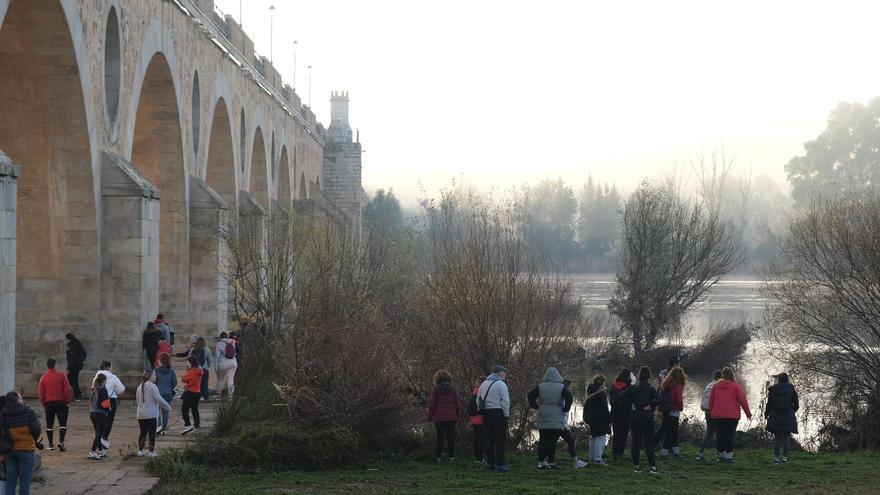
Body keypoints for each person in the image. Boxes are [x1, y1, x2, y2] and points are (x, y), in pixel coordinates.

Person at [527, 367, 572, 469]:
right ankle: (551, 462)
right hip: (557, 415)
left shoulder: (540, 386)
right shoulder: (561, 387)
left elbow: (530, 395)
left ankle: (541, 462)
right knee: (552, 441)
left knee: (543, 439)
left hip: (543, 414)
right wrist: (566, 408)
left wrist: (535, 406)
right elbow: (569, 397)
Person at [621, 366, 661, 475]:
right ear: (649, 376)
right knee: (649, 443)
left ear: (639, 376)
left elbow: (621, 396)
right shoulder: (651, 389)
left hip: (635, 417)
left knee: (636, 443)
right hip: (647, 417)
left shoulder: (633, 388)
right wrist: (651, 405)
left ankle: (636, 467)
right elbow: (660, 400)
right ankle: (653, 468)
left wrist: (631, 404)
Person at [0, 391, 41, 494]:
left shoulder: (3, 413)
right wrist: (35, 440)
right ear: (18, 399)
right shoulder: (29, 412)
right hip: (26, 449)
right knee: (25, 480)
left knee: (10, 480)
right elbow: (36, 428)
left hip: (9, 450)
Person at [709, 367, 752, 464]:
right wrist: (748, 413)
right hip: (732, 416)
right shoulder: (736, 386)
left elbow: (711, 401)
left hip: (718, 415)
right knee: (729, 436)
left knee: (720, 436)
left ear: (722, 374)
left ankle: (721, 456)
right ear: (732, 374)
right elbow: (743, 401)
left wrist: (712, 411)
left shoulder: (715, 386)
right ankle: (729, 457)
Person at [477, 365, 511, 472]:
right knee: (500, 439)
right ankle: (501, 464)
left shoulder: (483, 384)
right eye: (504, 372)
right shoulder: (501, 384)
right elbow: (505, 401)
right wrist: (506, 415)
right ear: (499, 373)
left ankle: (490, 463)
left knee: (489, 439)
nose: (505, 375)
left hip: (486, 413)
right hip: (498, 413)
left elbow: (478, 400)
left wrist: (480, 410)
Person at [37, 359, 72, 451]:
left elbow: (41, 393)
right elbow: (67, 390)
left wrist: (44, 403)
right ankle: (61, 441)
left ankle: (50, 444)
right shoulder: (61, 375)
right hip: (61, 401)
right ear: (55, 365)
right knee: (62, 423)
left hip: (49, 402)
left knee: (49, 424)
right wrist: (68, 401)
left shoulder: (43, 377)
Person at [426, 370, 460, 463]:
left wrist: (429, 416)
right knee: (451, 437)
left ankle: (439, 457)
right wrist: (457, 414)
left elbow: (432, 405)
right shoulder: (452, 389)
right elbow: (456, 403)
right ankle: (452, 457)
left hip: (439, 416)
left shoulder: (435, 389)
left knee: (440, 437)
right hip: (451, 416)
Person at [135, 370, 171, 457]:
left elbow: (137, 400)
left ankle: (140, 450)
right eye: (154, 375)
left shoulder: (140, 387)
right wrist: (168, 407)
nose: (155, 376)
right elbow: (158, 399)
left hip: (141, 414)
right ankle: (151, 452)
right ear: (150, 376)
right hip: (151, 414)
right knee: (151, 433)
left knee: (142, 432)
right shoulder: (153, 386)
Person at [765, 372, 799, 464]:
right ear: (787, 379)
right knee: (786, 437)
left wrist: (766, 414)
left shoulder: (773, 390)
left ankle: (776, 459)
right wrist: (792, 411)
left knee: (777, 437)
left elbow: (769, 404)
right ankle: (785, 458)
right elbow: (796, 404)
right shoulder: (791, 389)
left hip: (775, 415)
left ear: (778, 380)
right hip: (788, 415)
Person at [655, 367, 687, 458]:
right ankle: (664, 452)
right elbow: (679, 400)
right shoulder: (678, 385)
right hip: (674, 410)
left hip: (666, 409)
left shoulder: (665, 383)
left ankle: (675, 452)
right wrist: (680, 408)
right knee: (671, 432)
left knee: (672, 431)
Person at [94, 361, 125, 448]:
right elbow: (121, 389)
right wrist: (115, 391)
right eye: (111, 367)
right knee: (109, 421)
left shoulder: (96, 376)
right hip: (110, 400)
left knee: (100, 421)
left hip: (98, 400)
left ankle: (99, 438)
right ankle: (104, 438)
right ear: (108, 367)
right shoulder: (113, 377)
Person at [560, 379, 588, 468]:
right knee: (571, 441)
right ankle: (576, 461)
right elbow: (564, 411)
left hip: (559, 423)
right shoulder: (564, 397)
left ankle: (546, 460)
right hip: (561, 424)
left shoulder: (558, 395)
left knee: (550, 441)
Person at [584, 374, 612, 465]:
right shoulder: (601, 393)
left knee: (593, 438)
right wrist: (609, 419)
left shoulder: (589, 391)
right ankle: (598, 459)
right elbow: (604, 408)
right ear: (603, 382)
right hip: (600, 419)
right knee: (600, 439)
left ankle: (591, 458)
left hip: (591, 419)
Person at [697, 369, 723, 461]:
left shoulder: (708, 385)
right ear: (718, 377)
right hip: (714, 411)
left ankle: (700, 453)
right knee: (718, 433)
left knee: (709, 433)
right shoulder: (717, 386)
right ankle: (720, 454)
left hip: (706, 411)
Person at [609, 368, 633, 461]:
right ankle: (620, 453)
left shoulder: (613, 387)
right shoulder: (629, 388)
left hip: (615, 413)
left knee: (616, 433)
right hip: (626, 414)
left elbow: (611, 401)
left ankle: (614, 453)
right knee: (623, 434)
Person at [88, 373, 111, 460]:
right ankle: (92, 451)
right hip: (101, 414)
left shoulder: (93, 389)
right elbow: (105, 404)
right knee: (99, 435)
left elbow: (90, 403)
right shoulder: (103, 390)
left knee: (97, 434)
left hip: (93, 413)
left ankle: (100, 451)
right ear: (104, 381)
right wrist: (109, 405)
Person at [154, 353, 177, 435]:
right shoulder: (171, 371)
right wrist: (169, 388)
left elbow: (154, 382)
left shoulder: (156, 371)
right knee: (165, 412)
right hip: (167, 394)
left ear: (160, 361)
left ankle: (159, 427)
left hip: (158, 393)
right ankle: (164, 428)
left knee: (157, 411)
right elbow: (174, 383)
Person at [180, 356, 204, 434]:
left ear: (191, 363)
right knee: (195, 409)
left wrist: (186, 385)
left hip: (190, 393)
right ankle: (197, 425)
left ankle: (188, 426)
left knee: (184, 410)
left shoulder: (192, 371)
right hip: (197, 392)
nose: (187, 364)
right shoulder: (199, 370)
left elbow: (183, 379)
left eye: (187, 363)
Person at [214, 332, 238, 399]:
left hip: (223, 362)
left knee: (220, 380)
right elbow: (235, 353)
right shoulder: (232, 341)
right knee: (231, 379)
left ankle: (218, 396)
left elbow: (217, 356)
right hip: (233, 362)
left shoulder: (219, 344)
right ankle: (230, 396)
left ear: (220, 337)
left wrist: (216, 366)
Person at [64, 333, 87, 401]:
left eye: (66, 339)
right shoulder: (73, 345)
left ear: (69, 339)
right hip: (75, 366)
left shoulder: (74, 345)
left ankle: (78, 395)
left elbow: (72, 358)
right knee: (71, 379)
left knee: (73, 380)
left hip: (74, 366)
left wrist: (69, 368)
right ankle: (76, 394)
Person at [468, 378, 485, 464]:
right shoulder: (481, 393)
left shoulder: (473, 393)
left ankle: (477, 458)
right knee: (482, 439)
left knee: (477, 438)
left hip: (473, 419)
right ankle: (481, 458)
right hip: (481, 419)